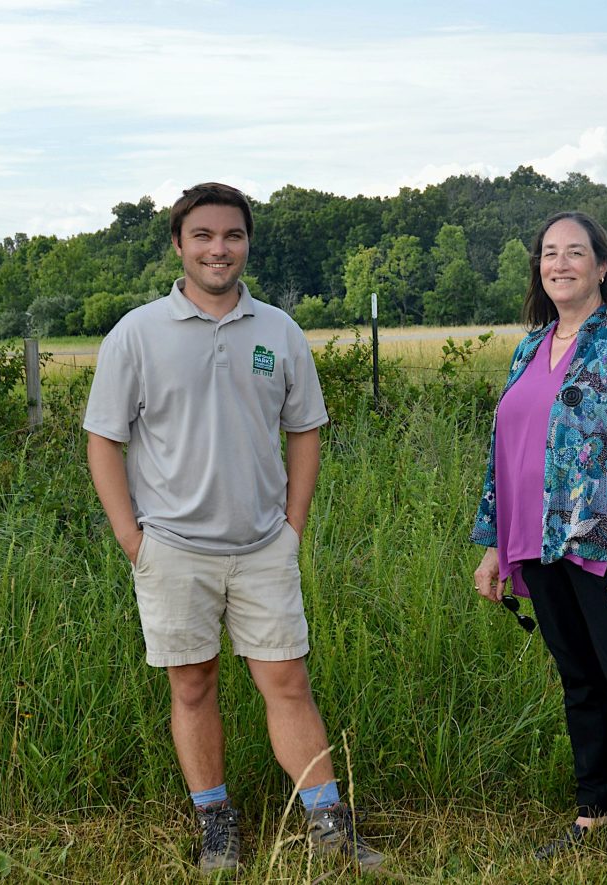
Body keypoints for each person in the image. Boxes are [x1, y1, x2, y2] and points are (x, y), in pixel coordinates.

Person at [84, 182, 383, 872]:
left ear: (247, 243)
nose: (219, 248)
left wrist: (293, 526)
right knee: (192, 684)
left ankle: (330, 825)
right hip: (173, 548)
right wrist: (134, 538)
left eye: (233, 236)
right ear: (179, 244)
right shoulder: (136, 333)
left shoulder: (277, 330)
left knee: (288, 680)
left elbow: (304, 429)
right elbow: (104, 439)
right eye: (204, 236)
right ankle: (217, 822)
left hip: (261, 547)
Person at [471, 211, 607, 884]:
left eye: (576, 253)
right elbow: (501, 452)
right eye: (549, 253)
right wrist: (492, 547)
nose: (559, 262)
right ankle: (593, 812)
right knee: (581, 683)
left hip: (606, 544)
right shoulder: (527, 347)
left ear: (602, 266)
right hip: (535, 544)